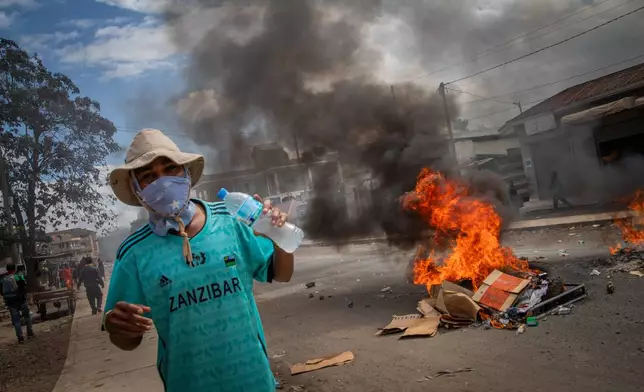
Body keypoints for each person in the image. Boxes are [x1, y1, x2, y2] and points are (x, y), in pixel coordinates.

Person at [102, 129, 295, 392]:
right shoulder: (134, 253)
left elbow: (281, 273)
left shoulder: (232, 218)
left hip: (255, 382)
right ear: (137, 191)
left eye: (171, 169)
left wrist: (281, 235)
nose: (163, 181)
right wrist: (120, 329)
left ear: (187, 174)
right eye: (148, 177)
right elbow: (127, 339)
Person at [2, 263, 34, 344]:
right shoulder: (18, 276)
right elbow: (24, 286)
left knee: (16, 321)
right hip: (21, 301)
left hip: (11, 303)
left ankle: (20, 338)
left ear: (7, 269)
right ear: (14, 269)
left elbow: (2, 292)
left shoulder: (3, 279)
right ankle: (30, 333)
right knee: (27, 316)